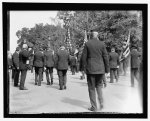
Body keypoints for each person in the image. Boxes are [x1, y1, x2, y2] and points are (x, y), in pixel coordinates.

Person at [82, 31, 109, 112]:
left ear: (90, 36)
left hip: (91, 69)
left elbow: (84, 57)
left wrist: (83, 68)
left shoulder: (87, 44)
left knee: (91, 88)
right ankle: (101, 102)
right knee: (99, 87)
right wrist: (107, 69)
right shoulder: (102, 44)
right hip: (100, 69)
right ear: (97, 36)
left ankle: (94, 107)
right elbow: (105, 57)